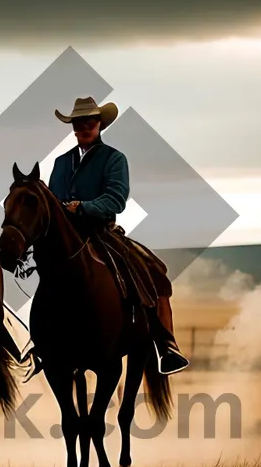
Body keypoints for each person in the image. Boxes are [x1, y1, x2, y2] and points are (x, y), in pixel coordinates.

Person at [48, 96, 189, 375]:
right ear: (73, 127)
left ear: (100, 124)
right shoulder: (61, 162)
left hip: (100, 231)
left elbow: (116, 199)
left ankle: (165, 344)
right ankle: (43, 340)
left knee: (154, 272)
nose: (83, 128)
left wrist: (85, 207)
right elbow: (52, 199)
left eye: (89, 122)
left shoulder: (114, 158)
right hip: (66, 235)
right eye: (78, 123)